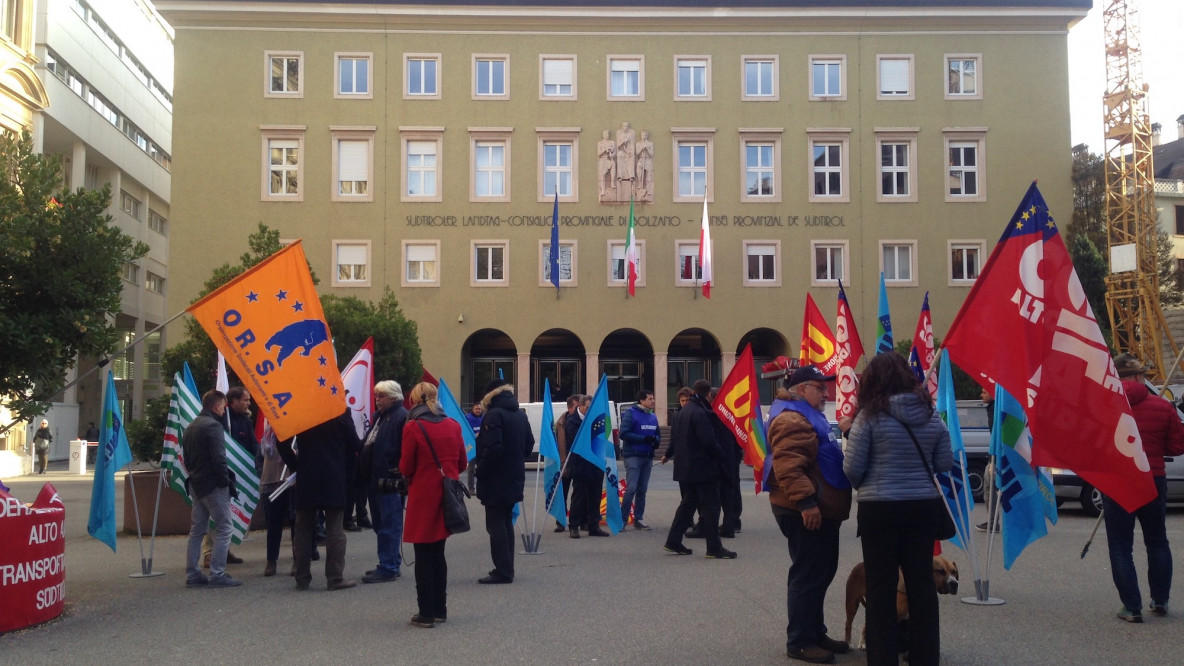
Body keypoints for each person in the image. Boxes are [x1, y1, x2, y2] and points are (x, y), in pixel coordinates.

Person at [844, 353, 951, 665]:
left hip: (879, 510)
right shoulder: (932, 416)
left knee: (880, 586)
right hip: (922, 508)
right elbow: (944, 463)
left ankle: (882, 658)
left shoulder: (868, 417)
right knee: (921, 583)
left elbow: (852, 469)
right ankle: (925, 657)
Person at [767, 365, 852, 664]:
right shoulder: (792, 418)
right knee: (808, 575)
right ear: (802, 389)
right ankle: (801, 641)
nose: (826, 392)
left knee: (820, 573)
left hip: (818, 507)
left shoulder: (804, 414)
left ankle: (815, 632)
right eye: (820, 387)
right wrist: (806, 503)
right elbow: (789, 464)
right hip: (805, 509)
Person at [1105, 354, 1184, 622]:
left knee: (1120, 547)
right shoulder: (1163, 407)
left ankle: (1132, 607)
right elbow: (1177, 447)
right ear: (1139, 377)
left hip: (1118, 481)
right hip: (1153, 479)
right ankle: (1160, 600)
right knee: (1157, 542)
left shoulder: (1104, 406)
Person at [400, 382, 468, 628]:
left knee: (423, 555)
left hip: (423, 497)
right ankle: (440, 608)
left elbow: (406, 467)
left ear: (414, 400)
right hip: (446, 497)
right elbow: (462, 463)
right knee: (438, 554)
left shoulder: (413, 427)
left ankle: (426, 612)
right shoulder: (453, 425)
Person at [278, 410, 361, 591]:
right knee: (335, 529)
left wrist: (295, 463)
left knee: (303, 528)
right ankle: (334, 577)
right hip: (334, 474)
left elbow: (281, 439)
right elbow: (355, 444)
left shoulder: (302, 410)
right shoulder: (340, 411)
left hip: (307, 474)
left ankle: (302, 576)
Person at [662, 379, 735, 560]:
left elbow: (676, 438)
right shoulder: (701, 413)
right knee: (711, 506)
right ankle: (714, 547)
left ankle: (673, 541)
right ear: (709, 394)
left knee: (688, 505)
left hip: (687, 467)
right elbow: (708, 441)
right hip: (703, 468)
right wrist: (722, 457)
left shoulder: (682, 412)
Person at [474, 378, 534, 583]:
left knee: (496, 524)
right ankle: (507, 568)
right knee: (506, 522)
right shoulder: (519, 414)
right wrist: (514, 459)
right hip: (514, 476)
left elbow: (493, 449)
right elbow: (529, 445)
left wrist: (480, 471)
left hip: (495, 479)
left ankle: (503, 571)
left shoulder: (493, 415)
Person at [181, 390, 241, 588]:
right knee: (225, 527)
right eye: (223, 406)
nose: (224, 409)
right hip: (213, 485)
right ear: (217, 406)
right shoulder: (213, 426)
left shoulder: (191, 427)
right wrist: (225, 482)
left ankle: (193, 574)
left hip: (196, 484)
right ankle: (217, 573)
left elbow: (187, 460)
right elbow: (219, 458)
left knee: (197, 530)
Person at [359, 380, 408, 584]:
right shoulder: (380, 417)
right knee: (380, 523)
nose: (377, 399)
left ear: (394, 397)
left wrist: (398, 468)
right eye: (376, 395)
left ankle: (388, 567)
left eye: (382, 396)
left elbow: (406, 446)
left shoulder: (401, 417)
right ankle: (389, 561)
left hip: (390, 480)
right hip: (375, 478)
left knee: (390, 524)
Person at [202, 386, 254, 568]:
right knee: (216, 516)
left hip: (240, 472)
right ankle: (209, 554)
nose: (249, 403)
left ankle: (224, 550)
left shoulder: (245, 420)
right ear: (234, 401)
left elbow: (251, 445)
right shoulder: (222, 419)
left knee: (230, 514)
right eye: (245, 400)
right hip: (222, 472)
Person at [566, 394, 608, 538]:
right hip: (580, 464)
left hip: (596, 463)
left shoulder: (596, 420)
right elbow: (575, 441)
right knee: (579, 496)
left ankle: (593, 525)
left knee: (595, 495)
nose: (591, 411)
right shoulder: (572, 420)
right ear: (581, 406)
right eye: (588, 408)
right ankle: (574, 525)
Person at [619, 390, 659, 530]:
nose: (653, 401)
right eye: (650, 399)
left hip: (647, 456)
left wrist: (656, 441)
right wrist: (643, 439)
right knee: (631, 489)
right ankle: (622, 520)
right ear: (641, 401)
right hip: (633, 456)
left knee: (642, 490)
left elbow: (656, 433)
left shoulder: (653, 416)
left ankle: (638, 519)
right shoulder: (631, 414)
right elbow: (623, 433)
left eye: (653, 398)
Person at [552, 395, 580, 532]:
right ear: (570, 408)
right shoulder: (560, 423)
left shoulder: (582, 421)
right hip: (564, 462)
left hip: (578, 462)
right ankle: (560, 521)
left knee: (579, 493)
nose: (580, 409)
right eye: (577, 406)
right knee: (562, 493)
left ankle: (580, 520)